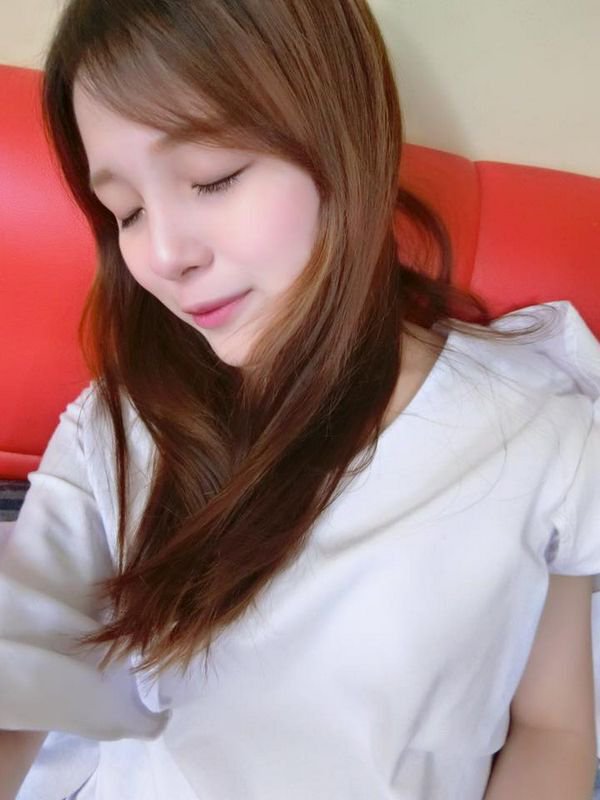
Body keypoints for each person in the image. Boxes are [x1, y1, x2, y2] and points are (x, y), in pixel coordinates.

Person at [0, 1, 598, 798]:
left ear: (340, 141)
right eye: (127, 212)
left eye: (213, 177)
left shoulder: (536, 431)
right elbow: (20, 661)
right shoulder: (119, 429)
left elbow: (552, 729)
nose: (166, 255)